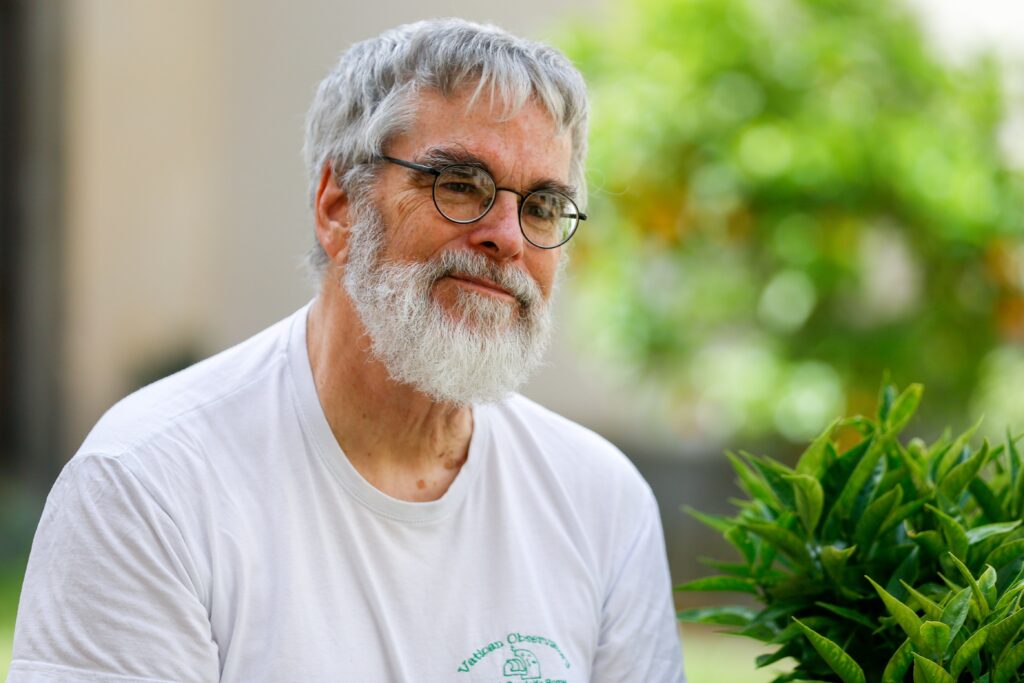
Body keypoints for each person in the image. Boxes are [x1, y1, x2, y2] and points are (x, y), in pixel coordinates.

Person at [8, 18, 685, 683]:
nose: (506, 235)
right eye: (459, 185)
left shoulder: (602, 501)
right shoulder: (149, 485)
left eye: (541, 205)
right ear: (339, 205)